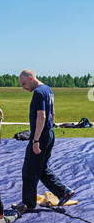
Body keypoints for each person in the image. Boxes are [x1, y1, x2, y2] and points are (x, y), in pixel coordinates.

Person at [15, 69, 75, 215]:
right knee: (41, 168)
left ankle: (28, 204)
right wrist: (49, 131)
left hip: (40, 136)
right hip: (49, 134)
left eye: (24, 83)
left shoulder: (38, 93)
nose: (23, 87)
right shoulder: (48, 90)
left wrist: (36, 140)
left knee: (29, 170)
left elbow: (41, 116)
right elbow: (52, 113)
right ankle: (63, 192)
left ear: (30, 78)